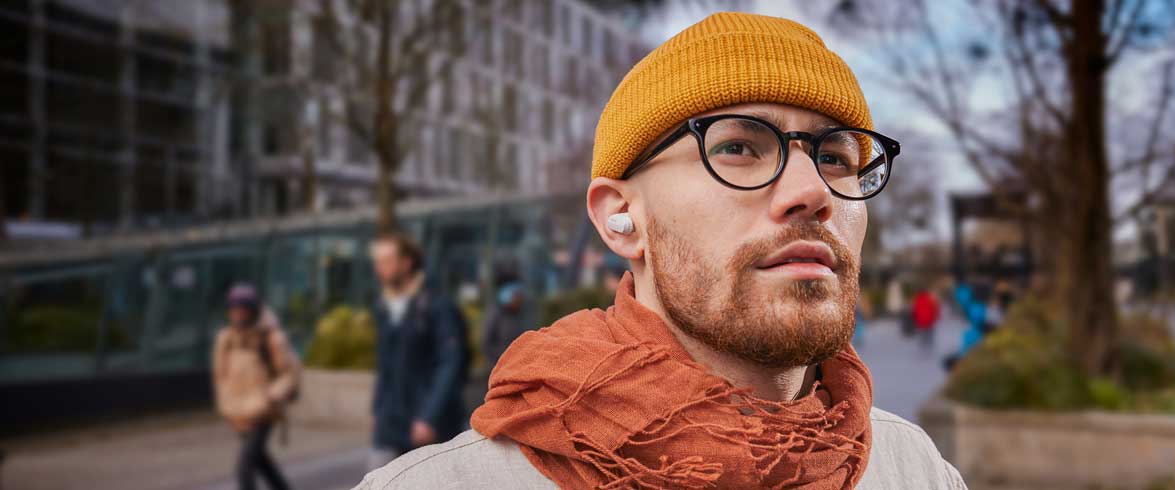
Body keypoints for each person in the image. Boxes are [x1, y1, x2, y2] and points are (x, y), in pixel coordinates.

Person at [354, 12, 966, 489]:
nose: (812, 192)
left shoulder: (917, 470)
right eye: (737, 147)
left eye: (836, 157)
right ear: (621, 219)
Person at [366, 232, 467, 471]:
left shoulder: (436, 305)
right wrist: (377, 410)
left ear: (407, 262)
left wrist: (429, 416)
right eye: (377, 261)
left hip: (427, 425)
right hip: (391, 422)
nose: (379, 268)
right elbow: (385, 365)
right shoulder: (384, 306)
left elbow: (450, 363)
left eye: (386, 260)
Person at [212, 283, 299, 490]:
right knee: (263, 463)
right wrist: (226, 402)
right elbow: (220, 375)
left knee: (244, 469)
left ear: (252, 310)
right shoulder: (226, 339)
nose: (237, 314)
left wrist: (270, 396)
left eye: (242, 309)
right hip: (238, 412)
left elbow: (288, 375)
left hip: (263, 413)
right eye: (233, 309)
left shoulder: (270, 338)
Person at [481, 271, 533, 368]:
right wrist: (502, 361)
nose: (519, 301)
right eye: (516, 296)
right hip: (501, 366)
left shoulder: (519, 313)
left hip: (518, 364)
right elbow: (486, 344)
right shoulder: (495, 313)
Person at [911, 287, 942, 353]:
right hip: (929, 320)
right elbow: (935, 309)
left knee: (922, 335)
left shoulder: (917, 300)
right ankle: (929, 348)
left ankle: (922, 349)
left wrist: (915, 319)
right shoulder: (930, 299)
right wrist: (936, 317)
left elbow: (914, 311)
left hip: (920, 321)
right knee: (929, 335)